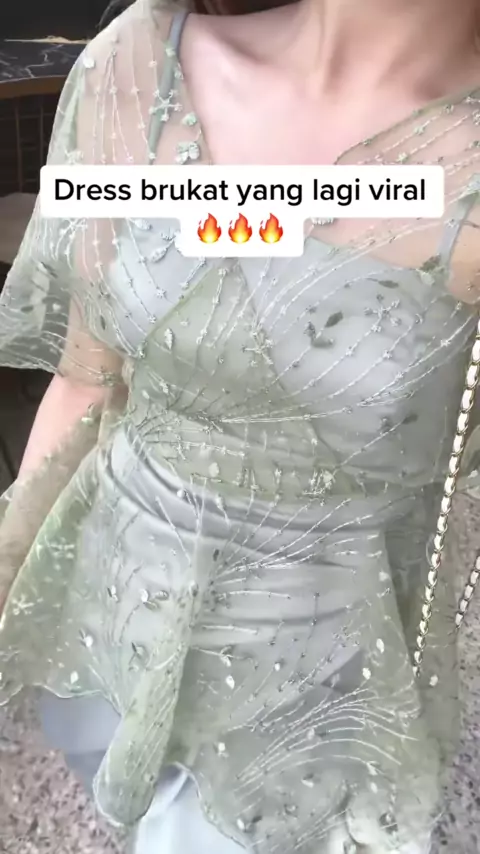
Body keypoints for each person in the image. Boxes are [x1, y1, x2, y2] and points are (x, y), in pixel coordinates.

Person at [0, 0, 480, 851]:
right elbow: (84, 377)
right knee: (107, 775)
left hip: (306, 690)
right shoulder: (139, 60)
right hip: (107, 602)